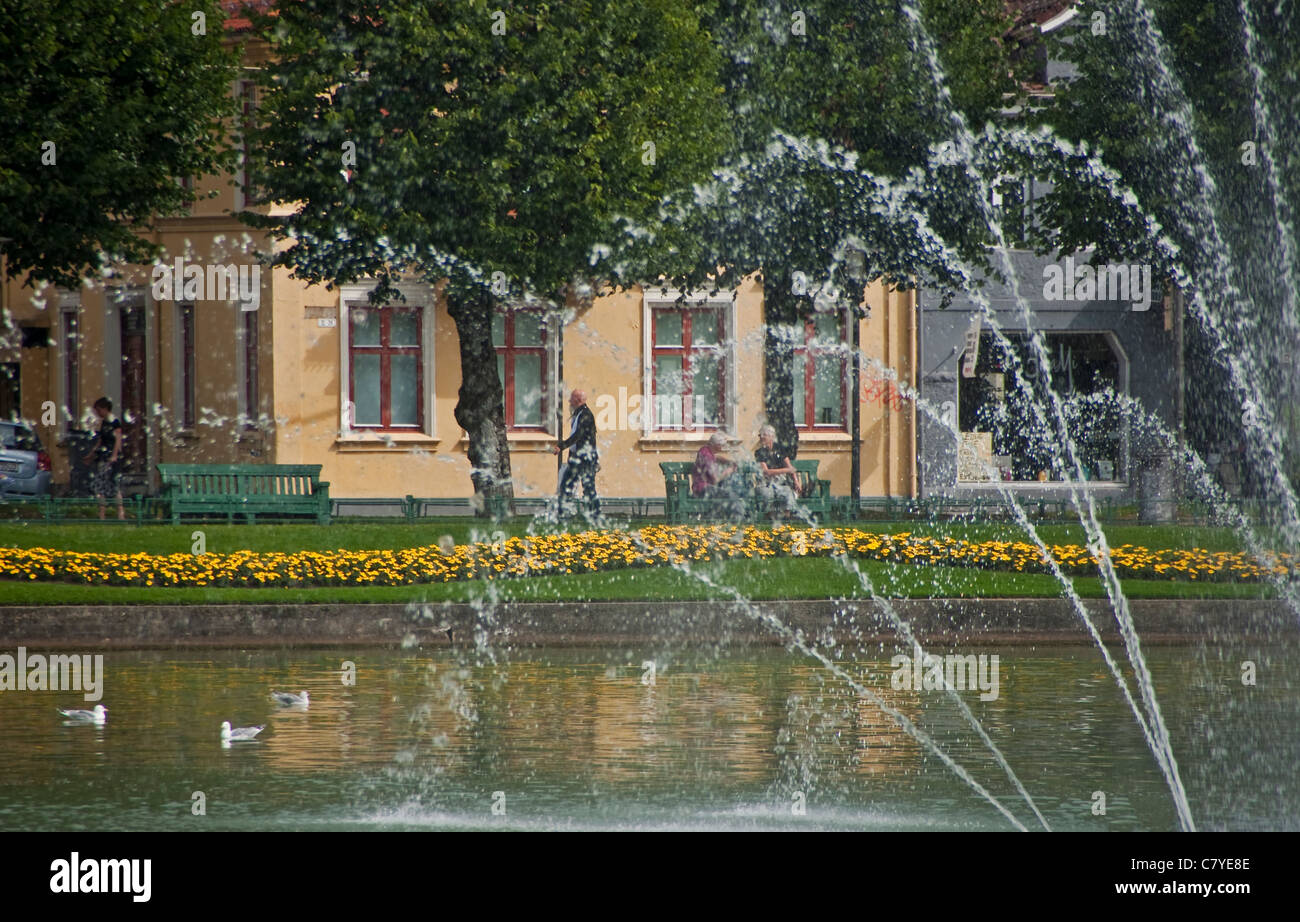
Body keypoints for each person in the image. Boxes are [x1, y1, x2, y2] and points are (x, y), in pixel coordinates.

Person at [552, 388, 600, 520]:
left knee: (588, 489)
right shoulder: (578, 414)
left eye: (571, 399)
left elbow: (577, 436)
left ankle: (594, 516)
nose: (569, 401)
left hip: (585, 459)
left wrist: (560, 447)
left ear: (578, 400)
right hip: (577, 458)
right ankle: (562, 515)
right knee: (567, 485)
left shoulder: (586, 415)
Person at [83, 397, 125, 520]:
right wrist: (91, 454)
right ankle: (102, 514)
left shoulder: (114, 422)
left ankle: (120, 513)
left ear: (105, 409)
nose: (97, 413)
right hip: (103, 456)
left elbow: (118, 439)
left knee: (114, 485)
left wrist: (114, 455)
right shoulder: (104, 423)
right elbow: (100, 440)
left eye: (99, 410)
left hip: (112, 458)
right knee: (100, 485)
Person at [753, 424, 799, 518]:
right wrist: (785, 470)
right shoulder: (759, 452)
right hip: (765, 483)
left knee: (787, 493)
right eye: (760, 435)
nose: (761, 437)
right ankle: (769, 519)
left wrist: (796, 481)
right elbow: (766, 472)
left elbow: (790, 467)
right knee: (767, 494)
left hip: (780, 482)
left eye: (763, 435)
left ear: (771, 437)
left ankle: (787, 520)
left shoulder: (780, 449)